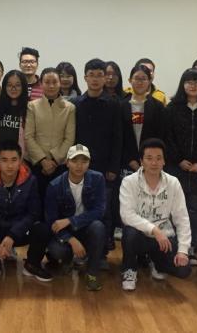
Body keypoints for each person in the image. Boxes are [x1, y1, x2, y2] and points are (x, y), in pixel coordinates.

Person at [120, 138, 192, 291]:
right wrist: (154, 230)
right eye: (149, 158)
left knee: (183, 270)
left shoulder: (173, 183)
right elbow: (126, 214)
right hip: (139, 235)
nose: (154, 163)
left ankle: (155, 261)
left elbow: (182, 218)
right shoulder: (129, 182)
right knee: (129, 233)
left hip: (163, 238)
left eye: (159, 158)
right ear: (141, 161)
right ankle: (129, 269)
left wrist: (183, 251)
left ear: (164, 161)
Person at [164, 68, 197, 266]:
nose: (193, 85)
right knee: (172, 209)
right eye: (189, 81)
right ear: (183, 84)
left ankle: (190, 249)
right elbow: (167, 137)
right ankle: (172, 247)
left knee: (193, 209)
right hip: (175, 168)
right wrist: (178, 160)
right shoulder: (172, 108)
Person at [0, 141, 52, 281]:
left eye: (14, 160)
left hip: (20, 230)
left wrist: (12, 235)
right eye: (4, 160)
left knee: (42, 229)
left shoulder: (30, 180)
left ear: (20, 161)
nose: (10, 165)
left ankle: (32, 264)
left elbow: (34, 213)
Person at [74, 59, 122, 255]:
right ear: (85, 77)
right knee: (82, 207)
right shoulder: (76, 104)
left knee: (105, 210)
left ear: (105, 78)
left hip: (105, 167)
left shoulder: (114, 104)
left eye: (99, 75)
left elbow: (118, 138)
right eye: (91, 75)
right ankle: (83, 251)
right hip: (80, 166)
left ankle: (102, 253)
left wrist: (113, 167)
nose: (95, 79)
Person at [45, 144, 106, 291]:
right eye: (74, 161)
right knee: (56, 250)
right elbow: (51, 221)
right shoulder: (54, 186)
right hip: (66, 232)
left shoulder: (98, 179)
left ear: (89, 163)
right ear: (67, 163)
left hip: (86, 227)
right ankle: (68, 260)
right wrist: (71, 240)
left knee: (98, 227)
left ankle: (92, 273)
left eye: (84, 161)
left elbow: (99, 211)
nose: (79, 166)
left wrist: (71, 220)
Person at [25, 67, 76, 208]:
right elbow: (29, 136)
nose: (51, 86)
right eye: (47, 82)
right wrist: (43, 161)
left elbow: (69, 138)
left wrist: (53, 160)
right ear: (41, 84)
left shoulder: (70, 108)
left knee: (58, 205)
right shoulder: (32, 106)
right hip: (37, 165)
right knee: (37, 204)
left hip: (59, 165)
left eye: (55, 82)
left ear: (60, 83)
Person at [121, 64, 167, 175]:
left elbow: (161, 136)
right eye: (137, 78)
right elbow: (119, 137)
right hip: (126, 162)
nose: (140, 82)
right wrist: (130, 160)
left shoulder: (158, 107)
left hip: (151, 163)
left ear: (150, 81)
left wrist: (148, 160)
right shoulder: (121, 106)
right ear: (130, 80)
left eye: (144, 79)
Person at [0, 70, 28, 163]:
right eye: (9, 85)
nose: (13, 88)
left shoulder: (29, 108)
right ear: (4, 87)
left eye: (18, 85)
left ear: (23, 87)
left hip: (20, 159)